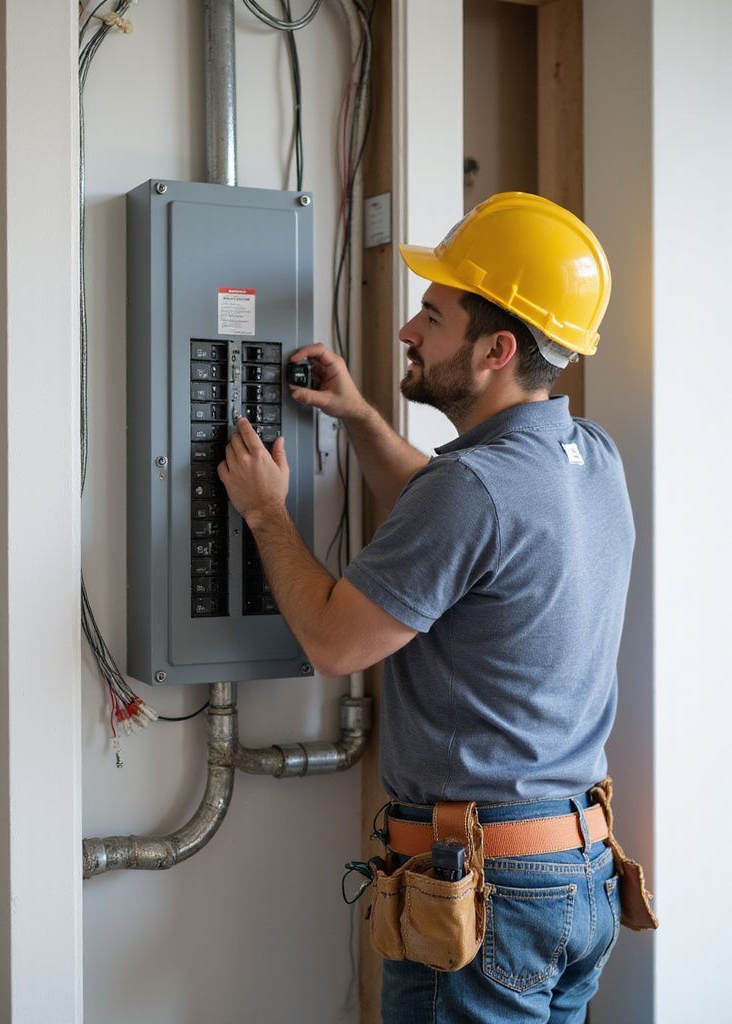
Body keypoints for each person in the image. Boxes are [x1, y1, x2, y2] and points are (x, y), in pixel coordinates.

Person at [217, 192, 637, 1023]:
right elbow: (457, 531)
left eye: (432, 316)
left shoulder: (473, 491)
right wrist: (361, 417)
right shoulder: (586, 455)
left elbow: (336, 641)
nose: (408, 329)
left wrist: (266, 512)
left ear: (496, 349)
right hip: (577, 874)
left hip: (489, 896)